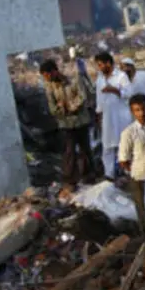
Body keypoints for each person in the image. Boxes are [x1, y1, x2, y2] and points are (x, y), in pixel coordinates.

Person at [40, 59, 96, 191]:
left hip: (80, 121)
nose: (47, 79)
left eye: (48, 75)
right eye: (45, 77)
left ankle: (89, 175)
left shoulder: (74, 79)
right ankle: (71, 180)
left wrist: (69, 107)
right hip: (65, 124)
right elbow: (53, 108)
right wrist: (62, 109)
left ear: (54, 71)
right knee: (69, 152)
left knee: (85, 149)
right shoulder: (49, 87)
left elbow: (82, 97)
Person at [118, 94, 145, 249]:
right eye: (137, 110)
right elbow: (123, 159)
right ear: (132, 112)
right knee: (144, 214)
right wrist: (135, 172)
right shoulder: (128, 133)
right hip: (140, 179)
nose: (141, 113)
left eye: (143, 109)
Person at [95, 52, 132, 179]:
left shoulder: (121, 76)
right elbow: (99, 101)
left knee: (125, 144)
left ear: (109, 63)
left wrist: (114, 90)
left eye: (101, 64)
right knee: (107, 147)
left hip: (121, 117)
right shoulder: (100, 80)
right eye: (98, 65)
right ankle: (109, 174)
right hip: (107, 118)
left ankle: (129, 171)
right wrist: (99, 117)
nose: (100, 67)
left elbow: (129, 94)